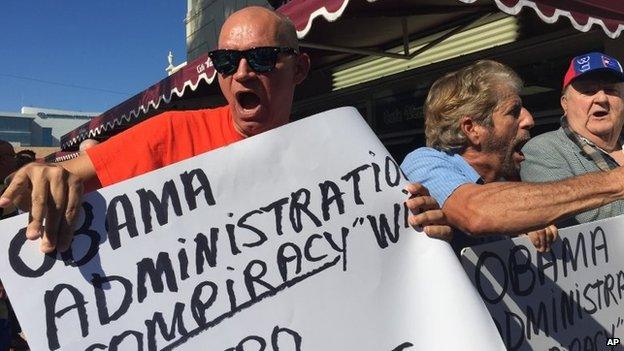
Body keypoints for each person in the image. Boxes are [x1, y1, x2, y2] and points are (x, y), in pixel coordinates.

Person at [0, 6, 449, 254]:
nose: (242, 73)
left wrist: (422, 225)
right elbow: (62, 174)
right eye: (225, 62)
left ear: (300, 68)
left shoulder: (339, 153)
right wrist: (44, 174)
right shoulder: (170, 133)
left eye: (261, 58)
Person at [401, 59, 624, 255]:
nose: (529, 120)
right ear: (472, 129)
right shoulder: (424, 162)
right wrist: (616, 181)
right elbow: (477, 212)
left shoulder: (504, 182)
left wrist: (523, 221)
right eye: (513, 112)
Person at [521, 52, 624, 227]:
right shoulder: (542, 150)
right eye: (588, 91)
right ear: (565, 104)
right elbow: (584, 220)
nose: (601, 98)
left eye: (610, 90)